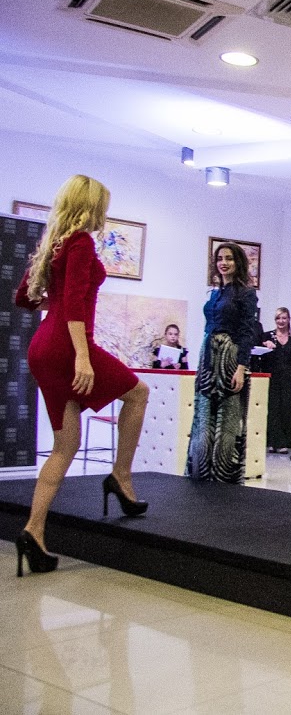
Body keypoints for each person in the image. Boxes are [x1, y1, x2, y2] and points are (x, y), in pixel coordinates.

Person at [14, 175, 150, 576]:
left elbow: (24, 297)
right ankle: (121, 477)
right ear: (91, 206)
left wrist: (52, 304)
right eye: (103, 206)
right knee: (138, 393)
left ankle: (34, 531)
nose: (104, 213)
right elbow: (74, 302)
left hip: (43, 346)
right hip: (67, 345)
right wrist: (83, 358)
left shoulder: (53, 242)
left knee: (65, 445)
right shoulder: (79, 242)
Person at [186, 242, 258, 484]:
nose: (223, 263)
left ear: (238, 262)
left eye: (229, 258)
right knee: (204, 414)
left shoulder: (246, 293)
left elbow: (247, 332)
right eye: (219, 258)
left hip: (230, 359)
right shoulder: (215, 293)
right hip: (208, 357)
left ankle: (224, 475)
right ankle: (201, 471)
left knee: (228, 417)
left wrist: (241, 367)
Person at [261, 307, 291, 453]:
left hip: (289, 378)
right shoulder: (267, 336)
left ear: (289, 319)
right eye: (278, 318)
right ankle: (275, 441)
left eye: (284, 318)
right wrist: (265, 345)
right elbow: (261, 356)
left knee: (285, 408)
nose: (281, 321)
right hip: (272, 376)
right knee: (273, 408)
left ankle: (281, 440)